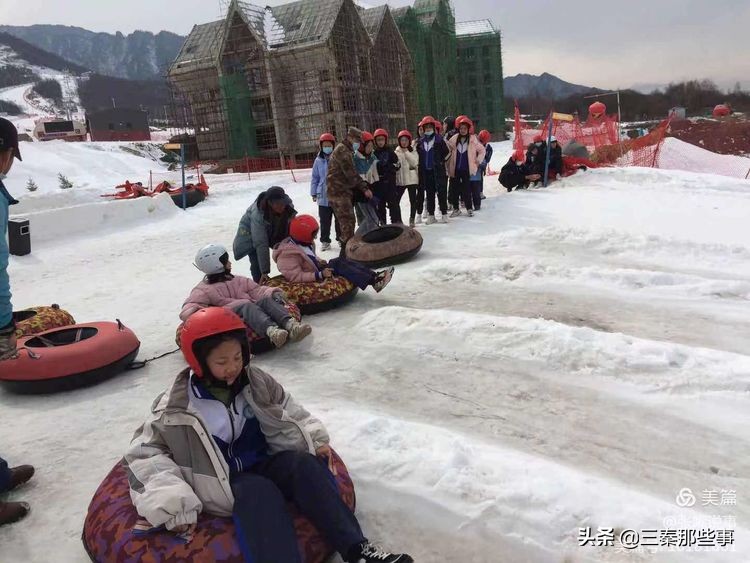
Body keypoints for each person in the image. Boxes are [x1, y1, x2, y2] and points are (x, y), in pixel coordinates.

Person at [125, 307, 412, 563]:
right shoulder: (177, 406)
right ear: (198, 362)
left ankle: (358, 550)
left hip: (263, 461)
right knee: (258, 491)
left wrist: (315, 438)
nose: (233, 367)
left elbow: (289, 408)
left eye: (238, 357)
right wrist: (174, 504)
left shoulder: (256, 380)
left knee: (304, 465)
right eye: (222, 361)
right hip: (221, 479)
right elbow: (145, 453)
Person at [182, 244, 311, 348]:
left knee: (264, 300)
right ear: (217, 265)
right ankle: (272, 331)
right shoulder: (203, 289)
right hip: (229, 314)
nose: (230, 263)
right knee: (246, 305)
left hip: (250, 308)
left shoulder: (237, 280)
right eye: (226, 261)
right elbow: (190, 305)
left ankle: (291, 325)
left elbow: (256, 290)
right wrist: (198, 312)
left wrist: (272, 292)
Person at [274, 215, 394, 293]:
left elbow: (308, 257)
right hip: (312, 277)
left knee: (340, 261)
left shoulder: (302, 242)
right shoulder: (287, 255)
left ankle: (374, 277)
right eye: (313, 234)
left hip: (317, 269)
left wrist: (318, 260)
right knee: (339, 265)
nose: (315, 237)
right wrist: (320, 275)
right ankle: (373, 281)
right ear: (302, 233)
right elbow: (295, 276)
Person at [233, 187, 297, 284]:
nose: (282, 207)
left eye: (283, 203)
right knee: (256, 264)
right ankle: (259, 286)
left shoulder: (288, 207)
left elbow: (293, 231)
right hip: (250, 236)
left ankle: (294, 276)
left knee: (289, 251)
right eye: (278, 204)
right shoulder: (257, 214)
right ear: (270, 203)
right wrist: (265, 271)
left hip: (273, 231)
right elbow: (261, 243)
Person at [327, 127, 373, 257]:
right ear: (350, 138)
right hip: (338, 192)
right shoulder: (343, 151)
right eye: (357, 140)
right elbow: (351, 174)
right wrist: (364, 188)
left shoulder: (345, 149)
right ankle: (346, 257)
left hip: (341, 191)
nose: (358, 143)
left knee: (346, 222)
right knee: (347, 223)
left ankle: (347, 255)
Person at [446, 116, 486, 218]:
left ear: (468, 129)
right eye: (461, 128)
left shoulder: (473, 140)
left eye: (465, 128)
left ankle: (469, 208)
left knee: (466, 190)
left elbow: (482, 150)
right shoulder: (454, 139)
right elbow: (447, 149)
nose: (463, 130)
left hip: (466, 169)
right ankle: (456, 209)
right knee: (454, 190)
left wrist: (478, 161)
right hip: (455, 169)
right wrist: (446, 161)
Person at [416, 116, 450, 225]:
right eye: (426, 127)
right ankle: (431, 215)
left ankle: (444, 214)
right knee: (430, 193)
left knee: (441, 192)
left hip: (438, 171)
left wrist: (441, 162)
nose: (428, 129)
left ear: (434, 128)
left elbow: (447, 153)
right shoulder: (420, 142)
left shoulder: (439, 140)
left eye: (430, 127)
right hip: (426, 172)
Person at [311, 133, 340, 251]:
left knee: (339, 219)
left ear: (333, 146)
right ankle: (325, 241)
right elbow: (315, 177)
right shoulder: (318, 161)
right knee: (324, 220)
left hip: (337, 195)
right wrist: (313, 192)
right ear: (321, 146)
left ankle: (341, 238)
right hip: (323, 197)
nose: (327, 148)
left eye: (329, 145)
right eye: (325, 146)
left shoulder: (338, 158)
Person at [353, 131, 381, 236]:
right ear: (361, 146)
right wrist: (366, 190)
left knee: (372, 218)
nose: (370, 148)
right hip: (362, 194)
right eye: (368, 146)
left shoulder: (372, 157)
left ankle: (368, 238)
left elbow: (377, 172)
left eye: (371, 146)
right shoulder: (356, 159)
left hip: (371, 192)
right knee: (372, 218)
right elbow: (359, 179)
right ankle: (356, 238)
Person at [372, 129, 402, 225]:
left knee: (393, 205)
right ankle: (382, 224)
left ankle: (396, 223)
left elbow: (397, 165)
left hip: (390, 183)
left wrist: (390, 168)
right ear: (375, 141)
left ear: (385, 140)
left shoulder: (391, 152)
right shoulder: (374, 153)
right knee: (380, 206)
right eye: (378, 140)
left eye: (382, 139)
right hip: (379, 184)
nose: (380, 142)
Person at [394, 130, 421, 227]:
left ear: (409, 141)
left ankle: (412, 218)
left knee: (413, 200)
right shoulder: (396, 152)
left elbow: (414, 162)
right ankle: (398, 219)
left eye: (406, 140)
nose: (404, 142)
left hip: (412, 179)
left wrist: (406, 153)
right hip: (401, 180)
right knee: (396, 200)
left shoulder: (413, 151)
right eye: (402, 140)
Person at [477, 129, 493, 201]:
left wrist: (483, 165)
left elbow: (487, 159)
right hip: (473, 165)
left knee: (480, 179)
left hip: (481, 166)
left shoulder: (489, 148)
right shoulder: (474, 144)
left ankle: (480, 192)